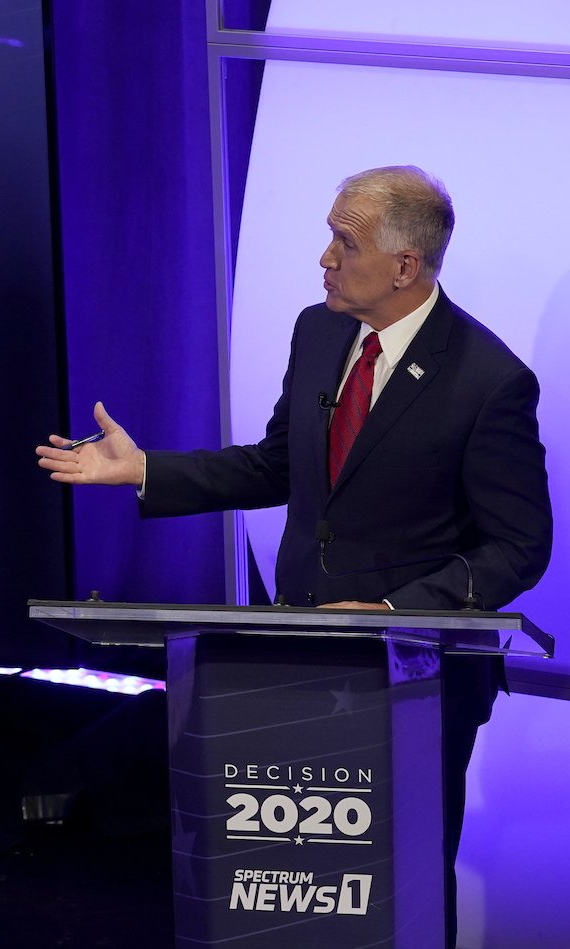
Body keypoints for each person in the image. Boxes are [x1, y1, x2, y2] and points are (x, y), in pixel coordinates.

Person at [35, 165, 551, 947]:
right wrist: (145, 469)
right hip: (293, 663)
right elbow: (277, 464)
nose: (325, 258)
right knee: (287, 886)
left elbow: (519, 545)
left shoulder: (489, 380)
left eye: (344, 242)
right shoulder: (320, 331)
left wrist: (388, 615)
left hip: (416, 681)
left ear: (406, 266)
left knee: (395, 886)